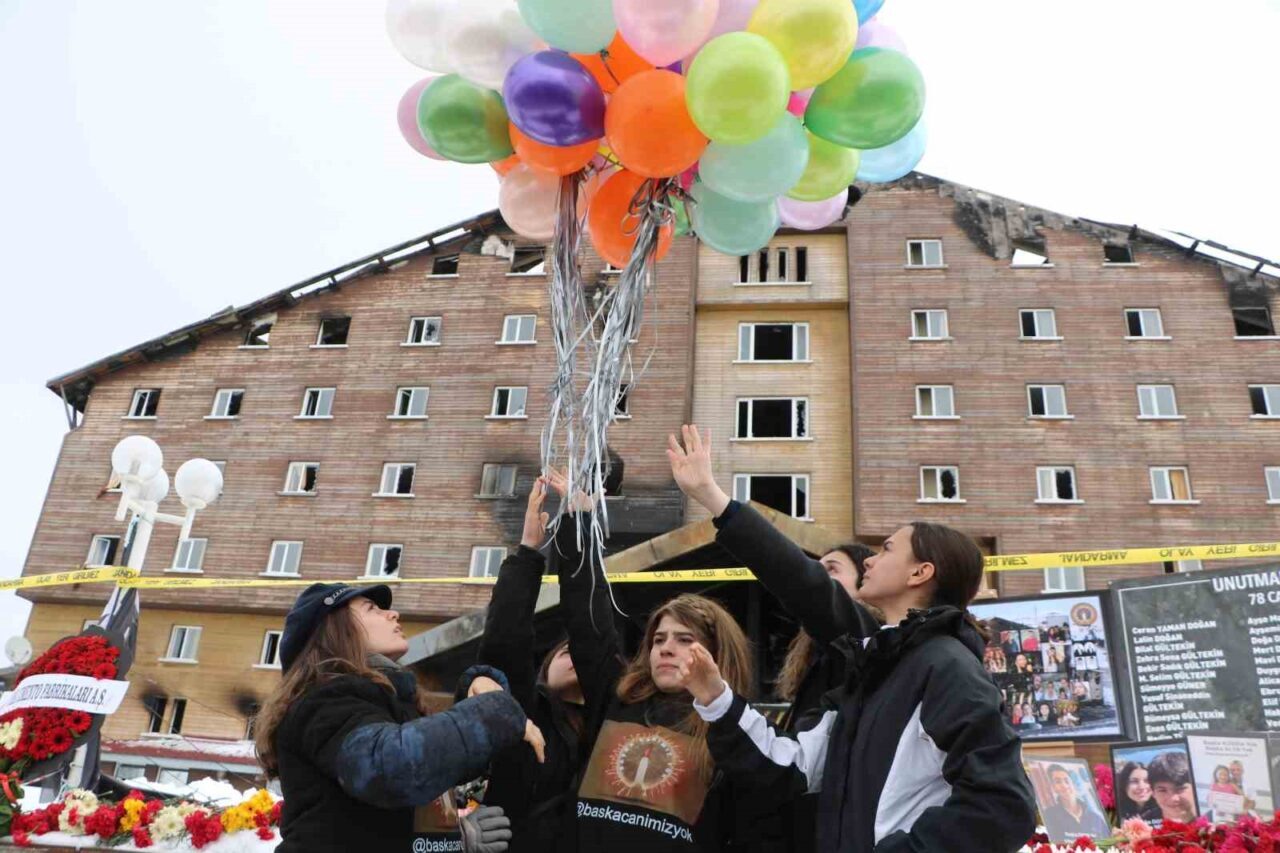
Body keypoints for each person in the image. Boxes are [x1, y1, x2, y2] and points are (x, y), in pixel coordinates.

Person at [667, 424, 1036, 853]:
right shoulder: (871, 667)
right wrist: (716, 699)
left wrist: (715, 498)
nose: (871, 560)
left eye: (886, 549)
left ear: (921, 572)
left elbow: (1004, 804)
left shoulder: (946, 666)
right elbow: (794, 766)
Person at [544, 471, 757, 851]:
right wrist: (578, 522)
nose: (666, 648)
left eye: (685, 639)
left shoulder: (734, 730)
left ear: (717, 652)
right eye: (659, 639)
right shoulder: (618, 697)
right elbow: (588, 620)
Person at [256, 581, 539, 852]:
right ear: (336, 631)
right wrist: (490, 712)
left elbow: (392, 813)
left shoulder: (395, 704)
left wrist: (453, 836)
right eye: (372, 609)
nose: (393, 613)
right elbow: (389, 768)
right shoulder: (322, 702)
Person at [464, 477, 590, 853]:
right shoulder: (524, 712)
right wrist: (529, 552)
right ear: (544, 667)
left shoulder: (607, 727)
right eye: (562, 651)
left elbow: (592, 624)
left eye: (579, 652)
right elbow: (506, 641)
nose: (572, 654)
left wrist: (579, 527)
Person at [767, 542, 876, 853]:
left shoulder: (866, 645)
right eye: (818, 567)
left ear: (864, 581)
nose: (818, 576)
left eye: (832, 569)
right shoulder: (817, 660)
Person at [1041, 764, 1110, 842]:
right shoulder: (1049, 815)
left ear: (1073, 783)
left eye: (1067, 780)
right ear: (1052, 787)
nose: (1064, 785)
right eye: (1058, 782)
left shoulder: (1095, 817)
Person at [1148, 751, 1197, 824]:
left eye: (1180, 789)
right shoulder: (1144, 825)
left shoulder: (1213, 822)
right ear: (1152, 792)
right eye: (1162, 790)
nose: (1173, 799)